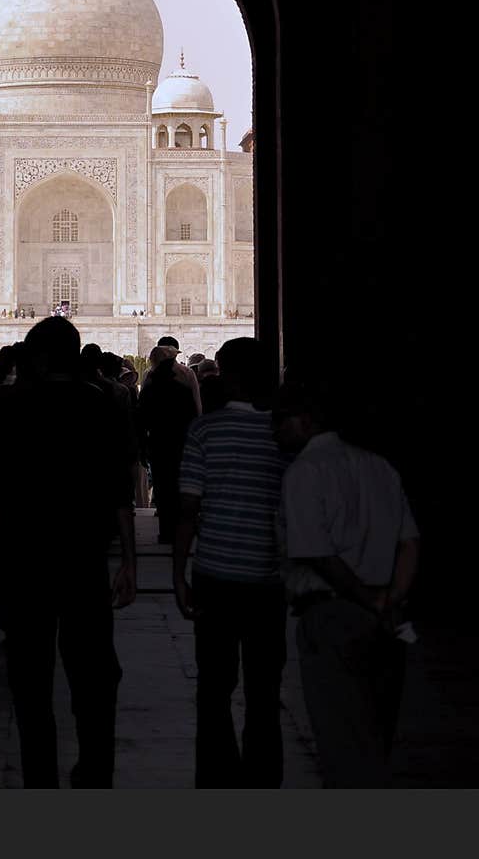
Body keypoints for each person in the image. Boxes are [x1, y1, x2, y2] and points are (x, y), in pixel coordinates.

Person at [0, 316, 137, 788]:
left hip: (26, 559)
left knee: (29, 679)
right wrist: (128, 561)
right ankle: (95, 771)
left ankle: (39, 779)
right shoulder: (102, 404)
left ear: (40, 358)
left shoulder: (14, 406)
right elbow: (120, 492)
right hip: (83, 558)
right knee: (94, 675)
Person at [274, 381, 420, 787]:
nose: (276, 431)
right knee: (376, 736)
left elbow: (317, 553)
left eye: (281, 420)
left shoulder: (305, 471)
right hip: (388, 619)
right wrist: (392, 599)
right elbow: (409, 542)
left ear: (306, 421)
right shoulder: (379, 466)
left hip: (333, 612)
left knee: (342, 745)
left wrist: (368, 599)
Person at [174, 337, 287, 787]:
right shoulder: (283, 434)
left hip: (216, 575)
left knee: (214, 690)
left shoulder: (206, 431)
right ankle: (262, 782)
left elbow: (187, 509)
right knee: (265, 692)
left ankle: (218, 781)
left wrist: (178, 571)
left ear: (234, 376)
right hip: (268, 578)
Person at [137, 347, 199, 542]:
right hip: (180, 442)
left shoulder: (151, 384)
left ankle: (166, 531)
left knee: (164, 488)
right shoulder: (183, 384)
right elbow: (194, 412)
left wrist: (142, 446)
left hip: (159, 442)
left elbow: (142, 418)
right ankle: (181, 530)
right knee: (179, 486)